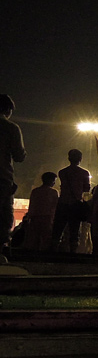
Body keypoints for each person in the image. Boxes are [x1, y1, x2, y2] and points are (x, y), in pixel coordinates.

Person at [50, 149, 91, 253]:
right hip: (76, 205)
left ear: (69, 158)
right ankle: (73, 253)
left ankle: (53, 252)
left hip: (63, 203)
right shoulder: (84, 173)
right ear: (80, 159)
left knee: (58, 230)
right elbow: (86, 189)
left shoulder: (62, 172)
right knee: (74, 231)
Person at [0, 94, 26, 256]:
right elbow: (19, 156)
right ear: (8, 110)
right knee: (3, 217)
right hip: (2, 179)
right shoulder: (11, 128)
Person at [22, 172, 58, 251]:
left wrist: (29, 216)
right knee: (45, 238)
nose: (54, 183)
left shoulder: (35, 191)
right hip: (47, 218)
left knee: (34, 238)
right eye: (53, 181)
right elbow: (55, 206)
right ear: (49, 180)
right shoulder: (53, 192)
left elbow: (32, 205)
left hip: (35, 217)